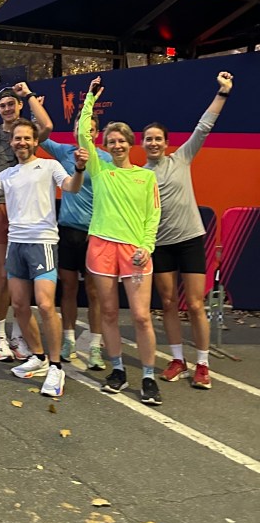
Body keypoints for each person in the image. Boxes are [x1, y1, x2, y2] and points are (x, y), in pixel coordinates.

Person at [0, 118, 87, 398]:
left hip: (43, 243)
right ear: (11, 143)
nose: (22, 142)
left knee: (46, 305)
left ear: (35, 141)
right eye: (17, 139)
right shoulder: (7, 175)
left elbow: (72, 186)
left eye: (27, 138)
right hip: (16, 245)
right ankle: (37, 357)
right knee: (21, 306)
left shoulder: (49, 166)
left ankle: (56, 367)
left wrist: (81, 168)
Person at [142, 70, 234, 390]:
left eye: (158, 139)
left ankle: (203, 365)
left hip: (191, 239)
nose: (153, 143)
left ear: (167, 143)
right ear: (143, 144)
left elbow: (204, 126)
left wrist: (222, 93)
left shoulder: (182, 157)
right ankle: (178, 359)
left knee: (195, 304)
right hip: (160, 244)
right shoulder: (140, 175)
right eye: (148, 139)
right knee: (167, 303)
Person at [78, 78, 162, 405]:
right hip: (101, 248)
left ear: (131, 143)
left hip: (135, 252)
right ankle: (117, 370)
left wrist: (147, 246)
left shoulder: (146, 176)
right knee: (109, 313)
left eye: (121, 141)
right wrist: (88, 101)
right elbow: (83, 134)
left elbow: (153, 216)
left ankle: (149, 377)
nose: (116, 145)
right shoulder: (99, 170)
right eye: (111, 141)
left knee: (141, 316)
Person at [0, 83, 53, 355]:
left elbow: (46, 124)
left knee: (24, 275)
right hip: (0, 207)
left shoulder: (29, 133)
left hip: (28, 210)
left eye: (12, 104)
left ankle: (18, 336)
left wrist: (30, 95)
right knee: (4, 274)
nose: (7, 109)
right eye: (2, 106)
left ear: (19, 105)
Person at [41, 113, 112, 370]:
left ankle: (94, 345)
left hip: (95, 233)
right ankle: (69, 340)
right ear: (74, 132)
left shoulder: (106, 159)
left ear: (97, 133)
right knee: (68, 288)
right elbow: (41, 135)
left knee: (94, 292)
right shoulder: (63, 152)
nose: (87, 133)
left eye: (92, 129)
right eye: (82, 129)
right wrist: (32, 101)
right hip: (68, 231)